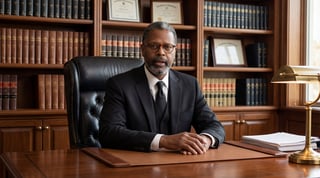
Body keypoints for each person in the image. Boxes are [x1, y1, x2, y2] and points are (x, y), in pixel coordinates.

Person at [99, 21, 225, 155]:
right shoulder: (120, 84)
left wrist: (205, 140)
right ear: (142, 49)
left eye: (167, 47)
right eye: (154, 46)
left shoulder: (190, 85)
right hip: (137, 164)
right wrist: (163, 141)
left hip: (179, 165)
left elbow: (214, 126)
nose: (161, 52)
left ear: (175, 51)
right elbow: (109, 132)